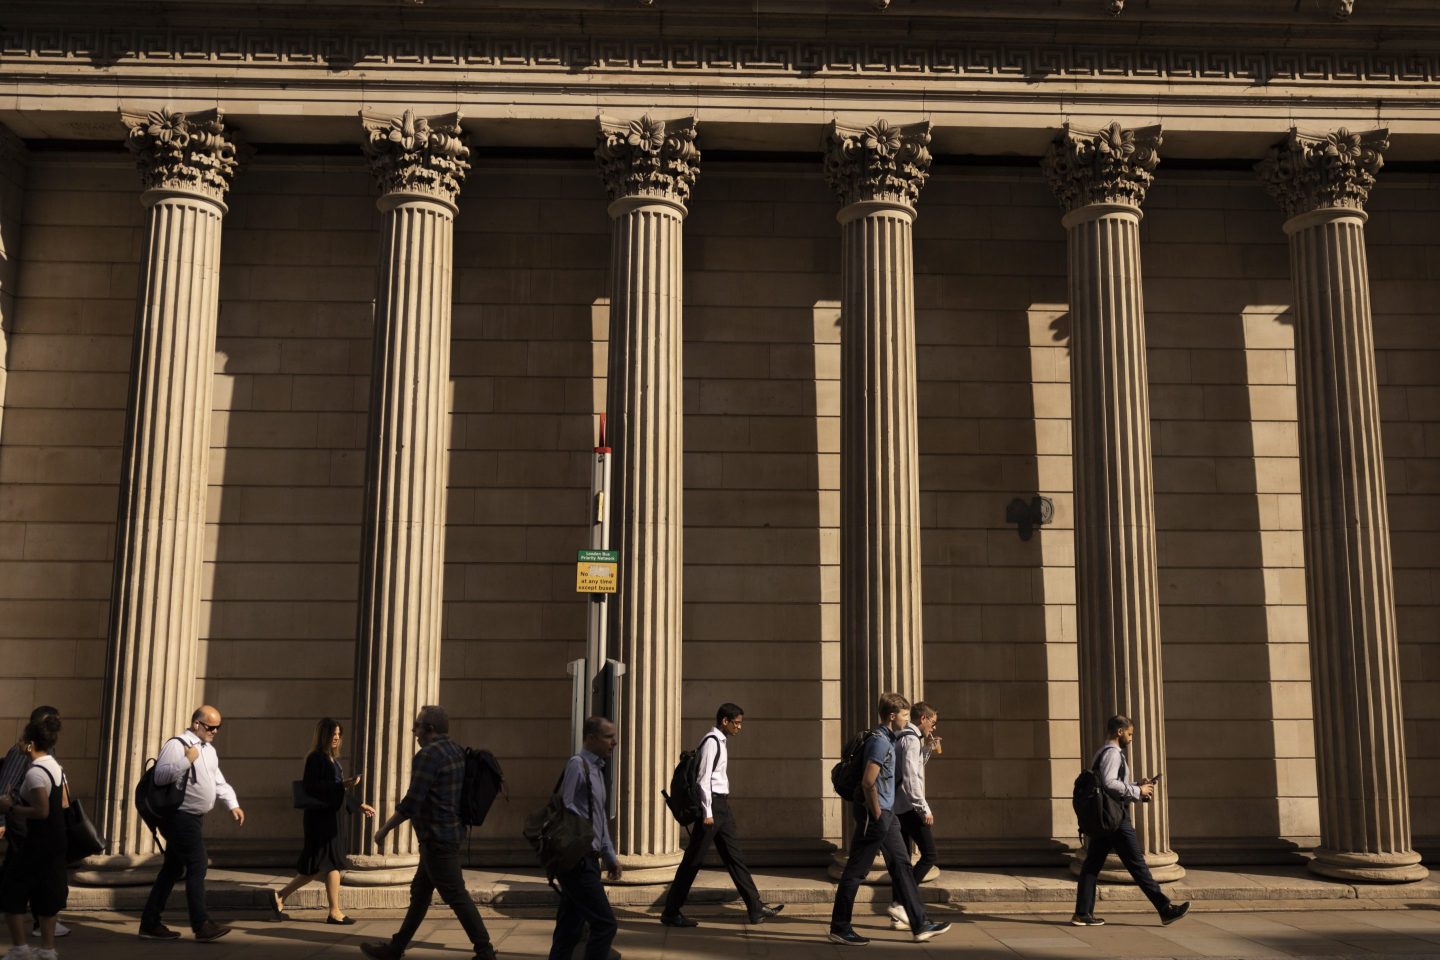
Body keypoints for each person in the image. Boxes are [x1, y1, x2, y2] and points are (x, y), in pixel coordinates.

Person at [360, 706, 495, 960]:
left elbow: (413, 801)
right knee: (420, 894)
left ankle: (485, 950)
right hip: (450, 833)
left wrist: (384, 830)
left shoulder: (428, 756)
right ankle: (396, 948)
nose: (414, 732)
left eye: (417, 726)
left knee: (456, 895)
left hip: (437, 838)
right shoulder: (456, 750)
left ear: (429, 729)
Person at [829, 693, 950, 947]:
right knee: (855, 871)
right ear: (892, 716)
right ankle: (840, 927)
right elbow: (867, 781)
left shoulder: (890, 739)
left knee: (903, 865)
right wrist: (876, 813)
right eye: (906, 716)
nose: (909, 720)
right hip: (877, 814)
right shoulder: (880, 742)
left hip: (887, 813)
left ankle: (919, 924)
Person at [660, 703, 782, 928]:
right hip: (712, 808)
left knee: (734, 857)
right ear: (724, 721)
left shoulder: (720, 742)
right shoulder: (711, 742)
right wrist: (707, 812)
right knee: (693, 861)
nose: (739, 728)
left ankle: (755, 908)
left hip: (721, 807)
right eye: (736, 723)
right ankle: (671, 912)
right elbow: (703, 779)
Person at [138, 705, 245, 943]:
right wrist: (187, 760)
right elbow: (161, 776)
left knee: (173, 869)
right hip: (179, 816)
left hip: (193, 819)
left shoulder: (209, 750)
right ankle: (201, 924)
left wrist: (233, 804)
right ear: (196, 723)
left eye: (218, 728)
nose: (215, 731)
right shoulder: (177, 745)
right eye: (210, 727)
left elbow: (219, 782)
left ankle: (150, 923)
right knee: (198, 864)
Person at [1071, 714, 1189, 927]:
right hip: (1116, 818)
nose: (1131, 738)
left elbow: (1109, 783)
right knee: (1138, 866)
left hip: (1107, 817)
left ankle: (1082, 914)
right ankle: (1165, 909)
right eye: (1130, 733)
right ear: (1119, 732)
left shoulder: (1102, 752)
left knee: (1092, 865)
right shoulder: (1113, 754)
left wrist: (1136, 784)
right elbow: (1108, 784)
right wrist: (1137, 790)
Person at [272, 718, 376, 923]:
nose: (336, 738)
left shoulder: (332, 760)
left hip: (331, 818)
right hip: (321, 820)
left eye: (339, 734)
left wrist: (358, 804)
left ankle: (280, 896)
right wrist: (342, 785)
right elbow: (313, 787)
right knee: (332, 863)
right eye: (333, 734)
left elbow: (335, 790)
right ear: (323, 736)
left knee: (316, 866)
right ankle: (334, 911)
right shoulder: (316, 758)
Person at [549, 717, 620, 960]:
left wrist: (609, 855)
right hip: (577, 861)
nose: (615, 742)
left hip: (588, 859)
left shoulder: (596, 770)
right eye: (609, 737)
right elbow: (565, 808)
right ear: (591, 738)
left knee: (568, 930)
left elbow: (598, 818)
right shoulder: (577, 765)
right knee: (605, 924)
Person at [0, 715, 68, 960]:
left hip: (39, 841)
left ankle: (20, 948)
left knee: (10, 892)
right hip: (55, 841)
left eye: (21, 739)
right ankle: (48, 949)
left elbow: (42, 811)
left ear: (30, 744)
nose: (18, 743)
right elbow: (62, 803)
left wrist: (9, 808)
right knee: (46, 895)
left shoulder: (35, 772)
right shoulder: (55, 766)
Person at [885, 700, 940, 930]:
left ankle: (898, 914)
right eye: (933, 722)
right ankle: (902, 903)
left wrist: (927, 748)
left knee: (904, 863)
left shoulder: (910, 739)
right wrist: (924, 808)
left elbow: (914, 767)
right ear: (923, 719)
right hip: (908, 808)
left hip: (900, 808)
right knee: (929, 855)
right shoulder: (910, 739)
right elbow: (910, 779)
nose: (934, 727)